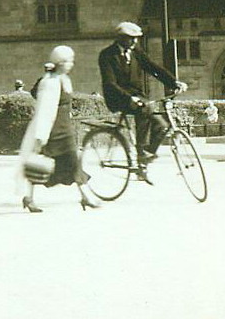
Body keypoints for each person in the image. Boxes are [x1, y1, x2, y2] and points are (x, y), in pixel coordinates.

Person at [98, 21, 186, 181]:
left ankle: (146, 156)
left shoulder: (135, 51)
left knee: (162, 125)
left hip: (137, 95)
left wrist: (174, 82)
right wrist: (128, 98)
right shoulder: (107, 55)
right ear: (121, 38)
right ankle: (141, 153)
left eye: (137, 38)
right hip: (118, 97)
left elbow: (152, 67)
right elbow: (109, 84)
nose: (135, 42)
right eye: (131, 38)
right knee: (144, 109)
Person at [17, 46, 99, 213]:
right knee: (40, 166)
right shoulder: (50, 81)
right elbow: (45, 109)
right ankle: (30, 198)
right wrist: (41, 135)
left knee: (72, 163)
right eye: (69, 61)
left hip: (64, 128)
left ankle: (84, 197)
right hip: (54, 131)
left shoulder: (63, 79)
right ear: (61, 63)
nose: (71, 64)